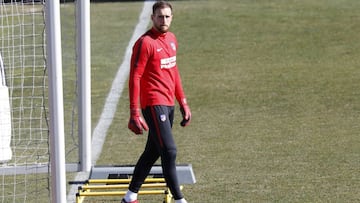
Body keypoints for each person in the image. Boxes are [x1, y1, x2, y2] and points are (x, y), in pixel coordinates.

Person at [121, 1, 191, 203]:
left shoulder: (172, 39)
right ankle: (179, 200)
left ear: (172, 17)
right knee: (169, 151)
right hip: (153, 103)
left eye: (167, 16)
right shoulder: (145, 43)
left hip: (168, 104)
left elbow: (174, 72)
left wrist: (183, 102)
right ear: (152, 18)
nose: (164, 20)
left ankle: (130, 197)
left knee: (152, 152)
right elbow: (135, 76)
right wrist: (135, 112)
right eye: (160, 16)